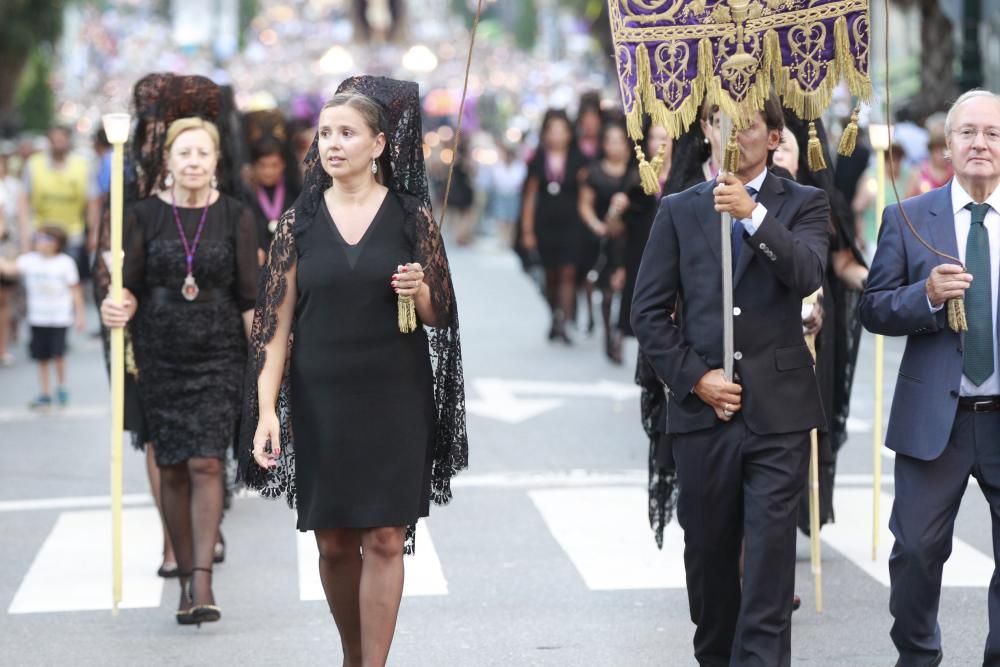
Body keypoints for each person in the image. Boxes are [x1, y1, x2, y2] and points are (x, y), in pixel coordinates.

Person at [238, 76, 467, 667]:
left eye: (347, 133)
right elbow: (273, 325)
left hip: (396, 393)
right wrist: (266, 411)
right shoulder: (299, 221)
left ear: (380, 144)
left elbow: (441, 316)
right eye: (325, 134)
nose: (332, 145)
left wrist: (419, 291)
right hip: (321, 397)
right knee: (335, 540)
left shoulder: (412, 215)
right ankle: (352, 652)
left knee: (387, 537)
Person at [631, 94, 830, 666]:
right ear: (707, 130)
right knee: (713, 577)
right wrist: (695, 379)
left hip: (780, 415)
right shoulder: (680, 209)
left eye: (748, 125)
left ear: (773, 137)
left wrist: (752, 215)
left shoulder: (805, 203)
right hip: (704, 418)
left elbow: (807, 271)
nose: (734, 133)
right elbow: (646, 312)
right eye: (722, 122)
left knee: (768, 575)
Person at [859, 89, 1000, 667]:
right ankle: (917, 656)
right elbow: (872, 307)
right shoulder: (909, 217)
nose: (981, 144)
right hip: (934, 420)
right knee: (916, 551)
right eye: (968, 132)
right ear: (948, 144)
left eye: (992, 133)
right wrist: (926, 296)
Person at [99, 116, 258, 625]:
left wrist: (268, 366)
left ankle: (203, 583)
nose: (193, 162)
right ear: (167, 161)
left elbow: (251, 298)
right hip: (159, 350)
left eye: (202, 154)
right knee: (170, 466)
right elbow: (129, 284)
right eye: (183, 153)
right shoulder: (143, 215)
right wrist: (116, 303)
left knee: (208, 462)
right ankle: (184, 575)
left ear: (216, 162)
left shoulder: (236, 215)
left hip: (219, 351)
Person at [520, 109, 587, 343]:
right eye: (552, 130)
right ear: (545, 133)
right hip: (544, 224)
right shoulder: (537, 159)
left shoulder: (579, 159)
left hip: (572, 224)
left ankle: (563, 322)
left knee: (568, 273)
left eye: (562, 130)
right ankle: (553, 314)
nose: (557, 135)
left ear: (570, 133)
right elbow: (529, 196)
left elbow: (586, 195)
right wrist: (527, 231)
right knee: (549, 275)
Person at [0, 225, 85, 407]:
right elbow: (8, 269)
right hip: (38, 317)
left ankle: (61, 385)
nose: (41, 243)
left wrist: (80, 315)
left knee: (58, 354)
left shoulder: (65, 263)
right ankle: (45, 392)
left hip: (59, 318)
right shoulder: (29, 260)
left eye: (47, 239)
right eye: (39, 239)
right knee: (41, 357)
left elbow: (75, 290)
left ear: (58, 243)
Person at [578, 119, 633, 363]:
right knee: (606, 290)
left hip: (628, 238)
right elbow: (585, 204)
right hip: (601, 239)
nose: (615, 146)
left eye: (619, 141)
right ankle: (609, 333)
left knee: (626, 289)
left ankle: (619, 331)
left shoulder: (637, 173)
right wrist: (596, 225)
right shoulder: (594, 172)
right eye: (610, 140)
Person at [23, 126, 91, 282]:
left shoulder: (82, 165)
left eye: (62, 139)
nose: (58, 143)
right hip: (42, 234)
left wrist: (93, 232)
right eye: (54, 140)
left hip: (72, 234)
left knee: (71, 280)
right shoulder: (34, 164)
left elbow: (92, 201)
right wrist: (25, 233)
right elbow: (24, 200)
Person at [243, 136, 299, 263]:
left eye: (274, 165)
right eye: (262, 165)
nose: (268, 171)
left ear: (283, 164)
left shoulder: (294, 193)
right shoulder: (245, 196)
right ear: (253, 165)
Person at [0, 147, 28, 366]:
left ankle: (4, 346)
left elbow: (22, 220)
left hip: (7, 249)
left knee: (4, 300)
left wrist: (25, 250)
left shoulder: (13, 188)